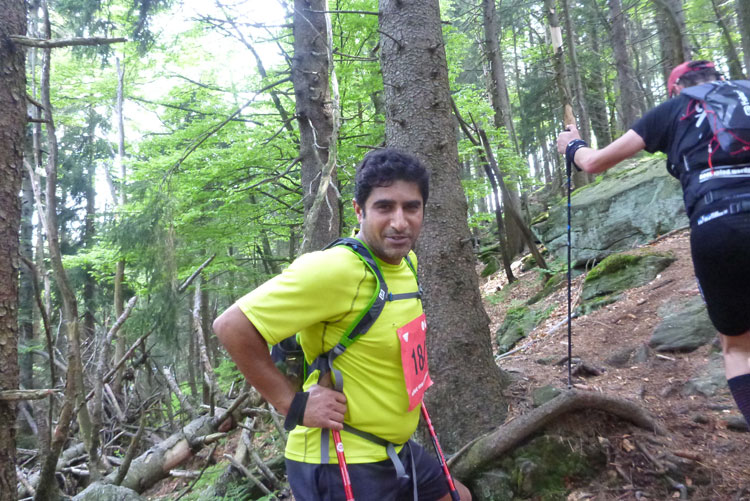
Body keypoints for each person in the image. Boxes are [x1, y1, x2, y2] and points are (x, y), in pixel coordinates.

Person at [213, 148, 472, 501]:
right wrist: (293, 404)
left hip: (393, 448)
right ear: (359, 210)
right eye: (384, 207)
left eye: (411, 207)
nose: (400, 222)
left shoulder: (406, 263)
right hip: (339, 461)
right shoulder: (334, 269)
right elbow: (231, 326)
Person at [556, 60, 750, 427]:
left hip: (718, 226)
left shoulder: (675, 109)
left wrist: (572, 144)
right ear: (719, 78)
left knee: (738, 345)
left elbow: (594, 163)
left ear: (676, 88)